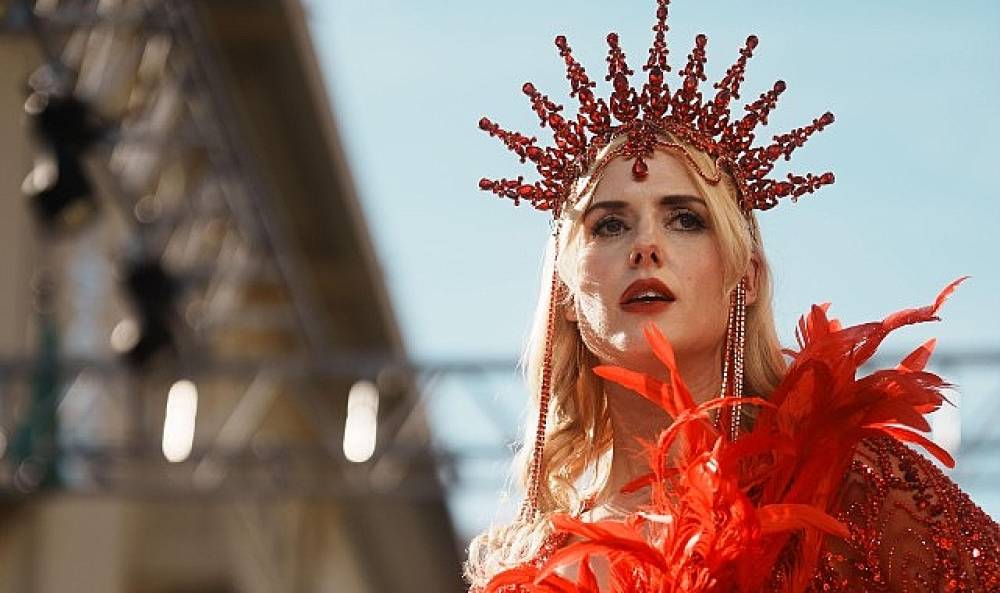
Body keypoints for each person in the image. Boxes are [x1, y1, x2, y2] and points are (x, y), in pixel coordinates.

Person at [465, 1, 999, 592]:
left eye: (686, 220)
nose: (645, 246)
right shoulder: (527, 572)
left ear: (747, 277)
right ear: (565, 291)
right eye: (609, 225)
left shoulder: (857, 487)